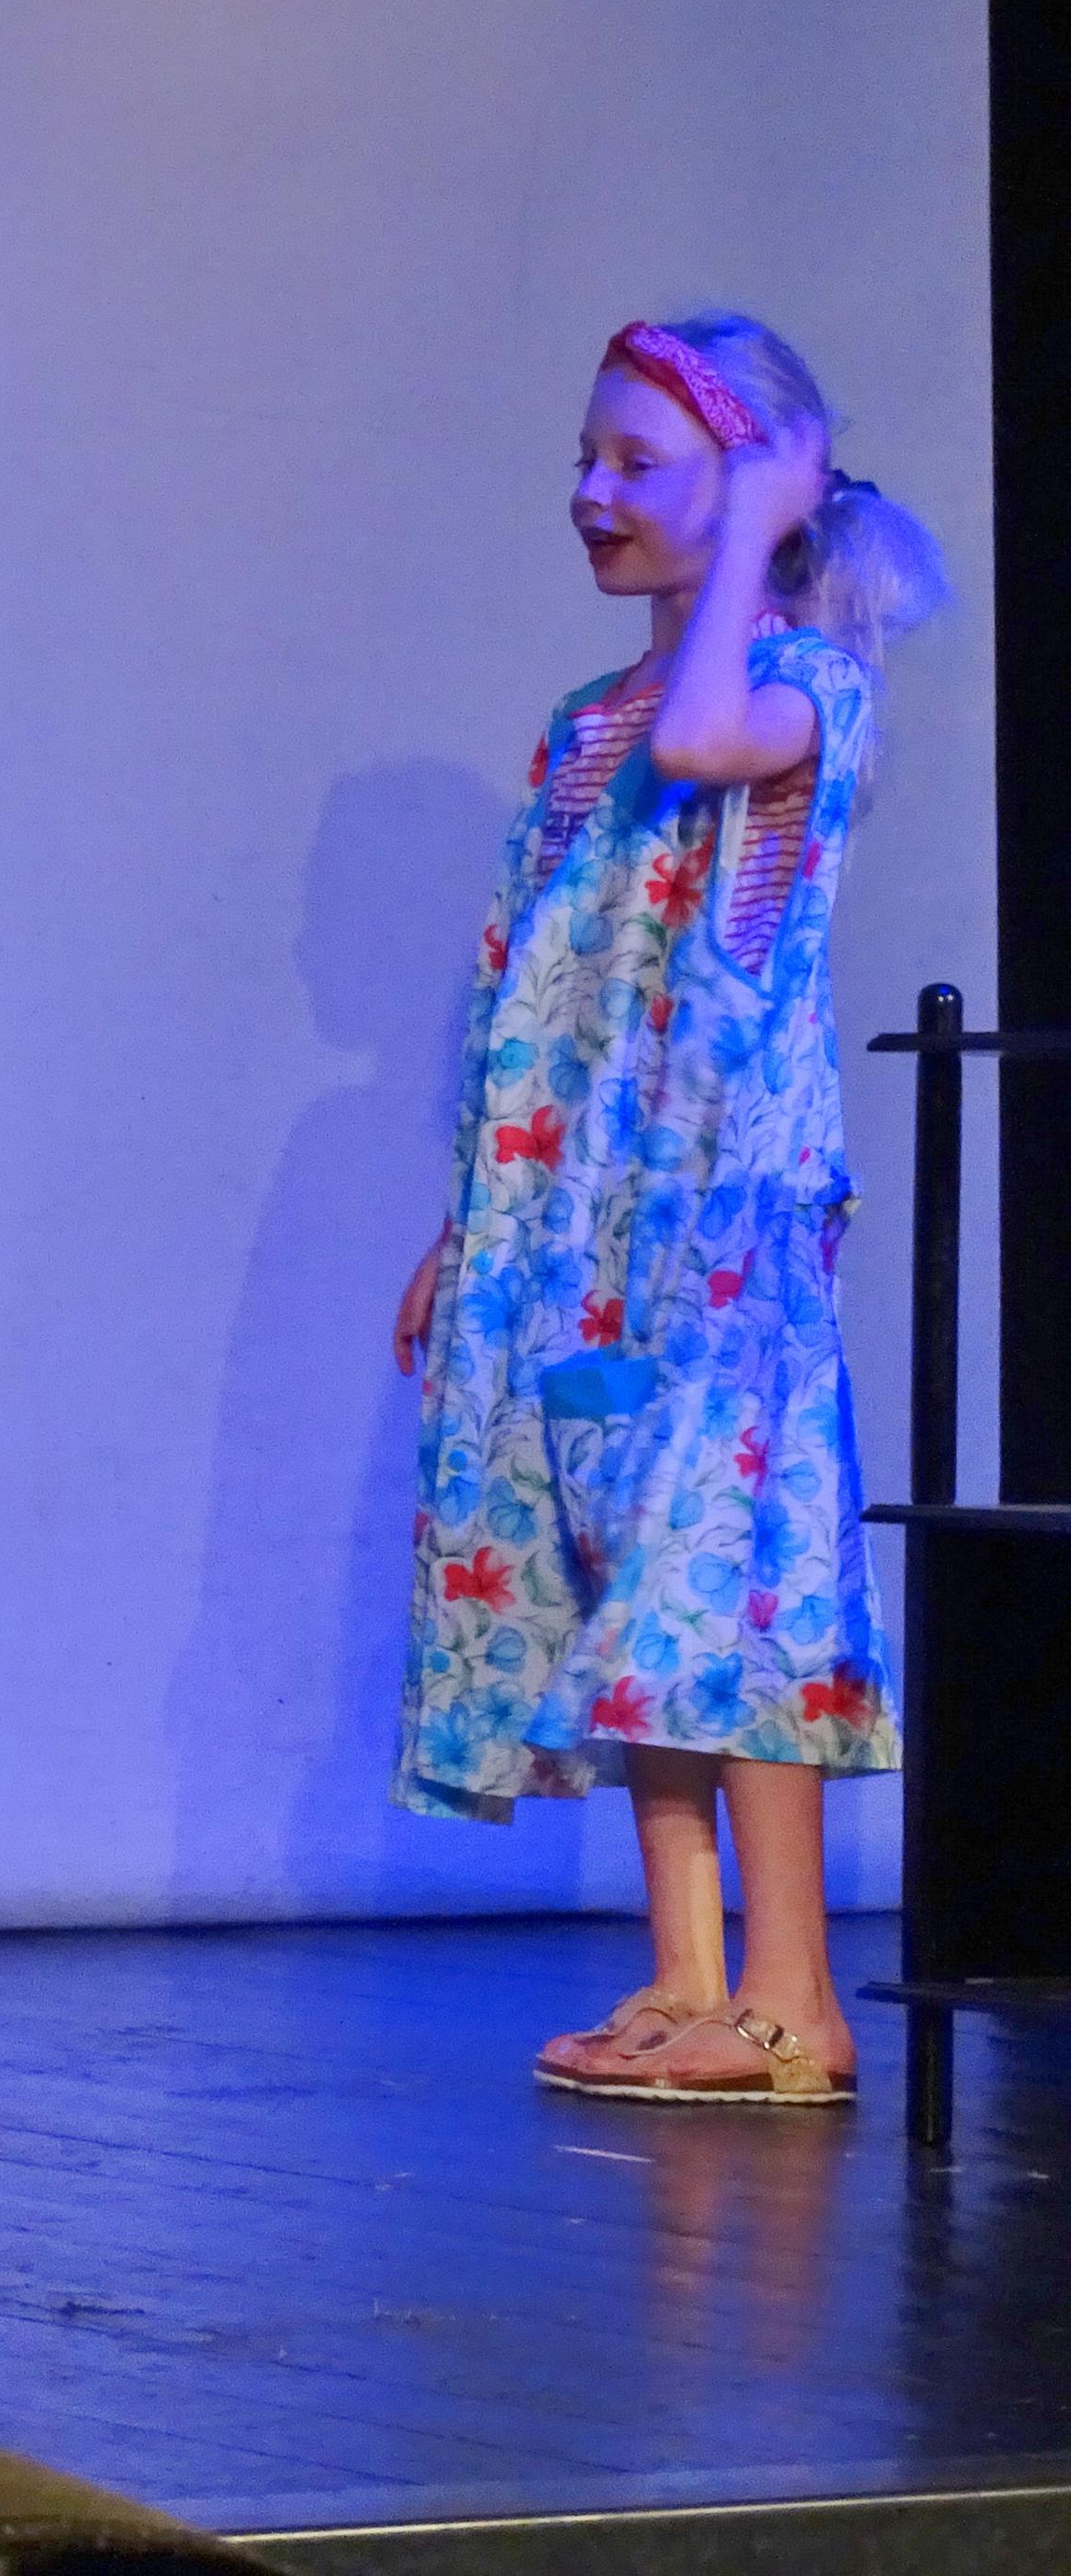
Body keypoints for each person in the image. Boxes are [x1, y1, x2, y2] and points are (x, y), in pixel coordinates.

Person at [393, 316, 947, 2105]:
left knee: (728, 1579)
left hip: (721, 1222)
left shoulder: (800, 682)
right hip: (581, 1225)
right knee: (625, 1570)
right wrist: (471, 1222)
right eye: (587, 455)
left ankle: (793, 2001)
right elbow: (539, 995)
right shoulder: (581, 726)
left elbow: (711, 737)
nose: (591, 490)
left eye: (638, 460)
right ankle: (690, 1975)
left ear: (759, 483)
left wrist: (767, 530)